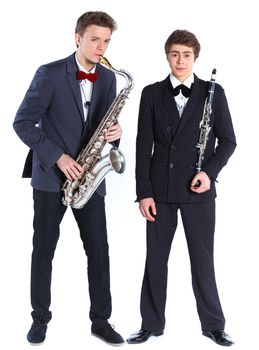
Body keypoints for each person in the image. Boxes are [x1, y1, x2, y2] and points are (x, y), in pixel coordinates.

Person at [13, 11, 124, 346]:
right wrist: (58, 157)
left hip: (89, 177)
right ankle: (39, 319)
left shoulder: (108, 79)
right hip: (50, 177)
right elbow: (22, 123)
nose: (100, 46)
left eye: (106, 41)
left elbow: (105, 128)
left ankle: (101, 321)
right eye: (94, 39)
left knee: (99, 251)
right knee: (43, 250)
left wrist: (115, 135)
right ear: (78, 37)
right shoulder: (48, 74)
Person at [127, 29, 236, 347]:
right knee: (155, 259)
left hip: (198, 190)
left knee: (203, 259)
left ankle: (214, 325)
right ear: (167, 56)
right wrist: (143, 191)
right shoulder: (150, 93)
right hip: (159, 192)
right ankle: (150, 324)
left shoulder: (213, 92)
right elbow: (142, 146)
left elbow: (228, 141)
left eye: (186, 54)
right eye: (175, 53)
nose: (180, 60)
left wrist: (209, 173)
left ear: (195, 58)